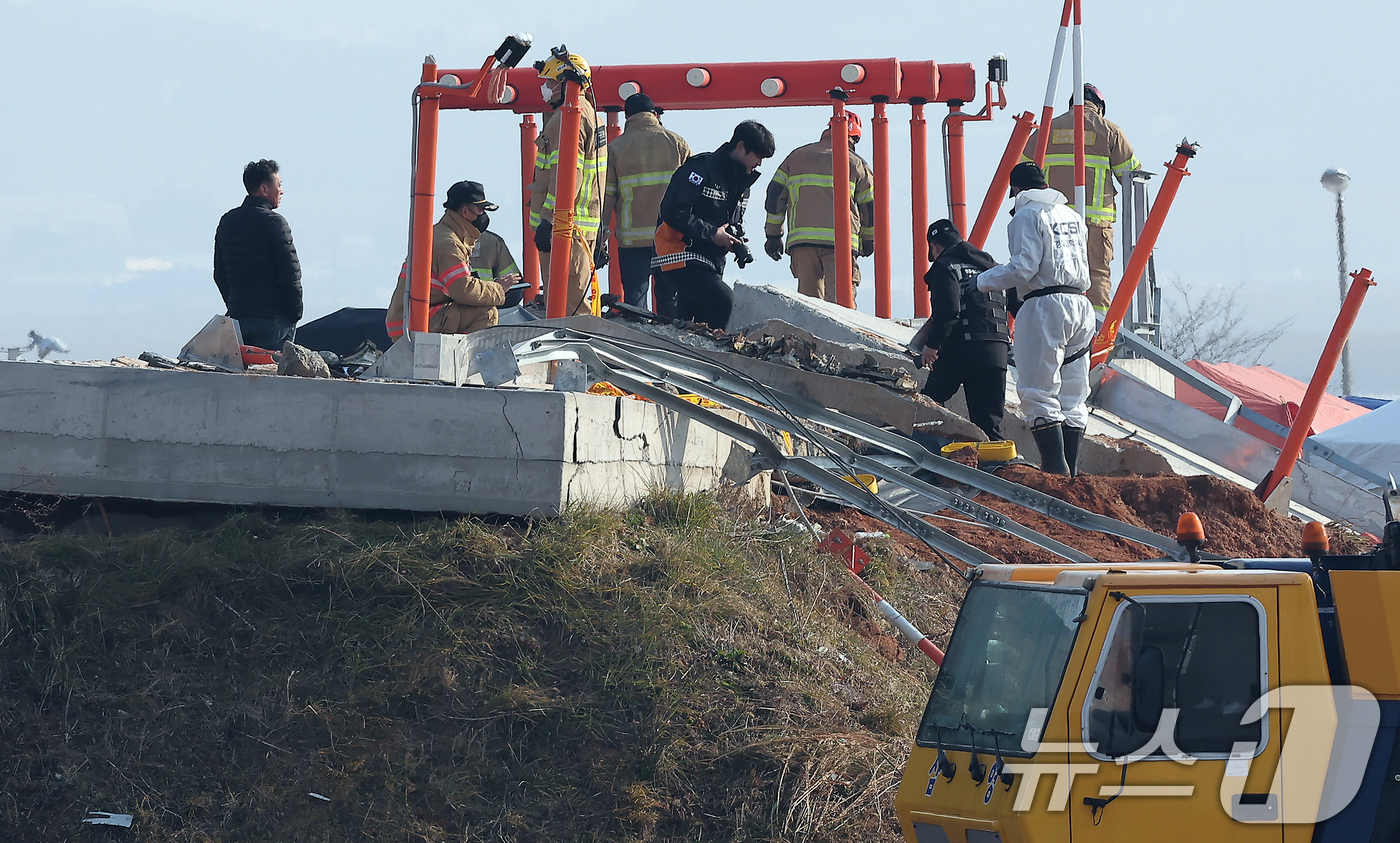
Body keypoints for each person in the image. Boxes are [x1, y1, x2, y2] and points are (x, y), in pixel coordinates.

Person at [975, 162, 1095, 475]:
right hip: (1081, 305)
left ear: (1015, 189)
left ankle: (1054, 470)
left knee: (1037, 391)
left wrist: (979, 282)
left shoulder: (1026, 215)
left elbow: (1022, 269)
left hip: (1045, 306)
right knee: (1073, 392)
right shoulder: (1072, 216)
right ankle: (1071, 472)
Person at [1022, 83, 1139, 312]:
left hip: (1051, 222)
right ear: (1099, 106)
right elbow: (1132, 177)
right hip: (1094, 224)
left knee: (1050, 277)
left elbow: (1021, 173)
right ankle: (1098, 337)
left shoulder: (1046, 130)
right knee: (1096, 276)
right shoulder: (1110, 131)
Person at [652, 120, 775, 330]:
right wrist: (713, 235)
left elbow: (729, 222)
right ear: (741, 146)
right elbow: (672, 211)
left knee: (694, 319)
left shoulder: (742, 184)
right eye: (758, 156)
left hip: (710, 262)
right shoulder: (701, 168)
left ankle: (691, 357)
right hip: (680, 255)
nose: (759, 163)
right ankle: (711, 355)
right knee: (724, 300)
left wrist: (732, 239)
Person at [909, 219, 1013, 441]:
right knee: (988, 425)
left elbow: (948, 312)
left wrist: (931, 346)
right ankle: (995, 471)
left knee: (929, 407)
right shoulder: (993, 267)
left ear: (934, 248)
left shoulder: (944, 267)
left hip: (961, 350)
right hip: (997, 352)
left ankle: (923, 464)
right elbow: (1017, 304)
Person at [762, 114, 875, 303]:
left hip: (803, 242)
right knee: (842, 307)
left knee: (810, 308)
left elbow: (774, 196)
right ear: (854, 137)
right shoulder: (856, 163)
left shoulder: (796, 157)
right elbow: (870, 209)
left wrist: (773, 236)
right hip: (841, 244)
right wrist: (869, 240)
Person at [530, 47, 607, 317]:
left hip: (566, 230)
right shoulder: (583, 113)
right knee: (566, 305)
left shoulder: (571, 115)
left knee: (571, 309)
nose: (545, 88)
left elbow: (568, 173)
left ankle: (579, 359)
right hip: (574, 229)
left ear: (564, 83)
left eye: (549, 82)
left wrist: (549, 219)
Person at [601, 94, 691, 314]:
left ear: (627, 117)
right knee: (670, 302)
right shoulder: (677, 143)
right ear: (655, 115)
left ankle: (637, 346)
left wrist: (600, 237)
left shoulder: (615, 148)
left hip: (632, 241)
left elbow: (606, 196)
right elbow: (693, 190)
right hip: (670, 237)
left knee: (635, 302)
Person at [385, 181, 506, 340]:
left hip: (408, 319)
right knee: (487, 312)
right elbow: (462, 290)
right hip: (416, 323)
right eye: (480, 209)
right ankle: (460, 361)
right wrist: (499, 289)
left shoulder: (442, 233)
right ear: (465, 211)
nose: (483, 215)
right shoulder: (449, 243)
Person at [213, 159, 302, 349]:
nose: (282, 191)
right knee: (270, 374)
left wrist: (235, 305)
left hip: (238, 319)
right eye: (279, 185)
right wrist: (294, 314)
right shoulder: (275, 223)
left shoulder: (227, 221)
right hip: (273, 322)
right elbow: (290, 275)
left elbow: (220, 275)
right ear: (264, 189)